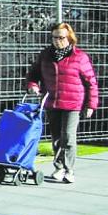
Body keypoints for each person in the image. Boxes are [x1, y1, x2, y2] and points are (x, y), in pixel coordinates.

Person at [25, 22, 99, 183]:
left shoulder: (80, 57)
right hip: (52, 102)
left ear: (69, 37)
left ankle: (69, 169)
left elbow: (91, 82)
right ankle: (59, 167)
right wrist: (32, 86)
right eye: (54, 37)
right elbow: (33, 74)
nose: (57, 41)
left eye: (61, 37)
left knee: (68, 136)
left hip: (73, 103)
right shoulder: (45, 55)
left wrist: (91, 105)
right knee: (57, 137)